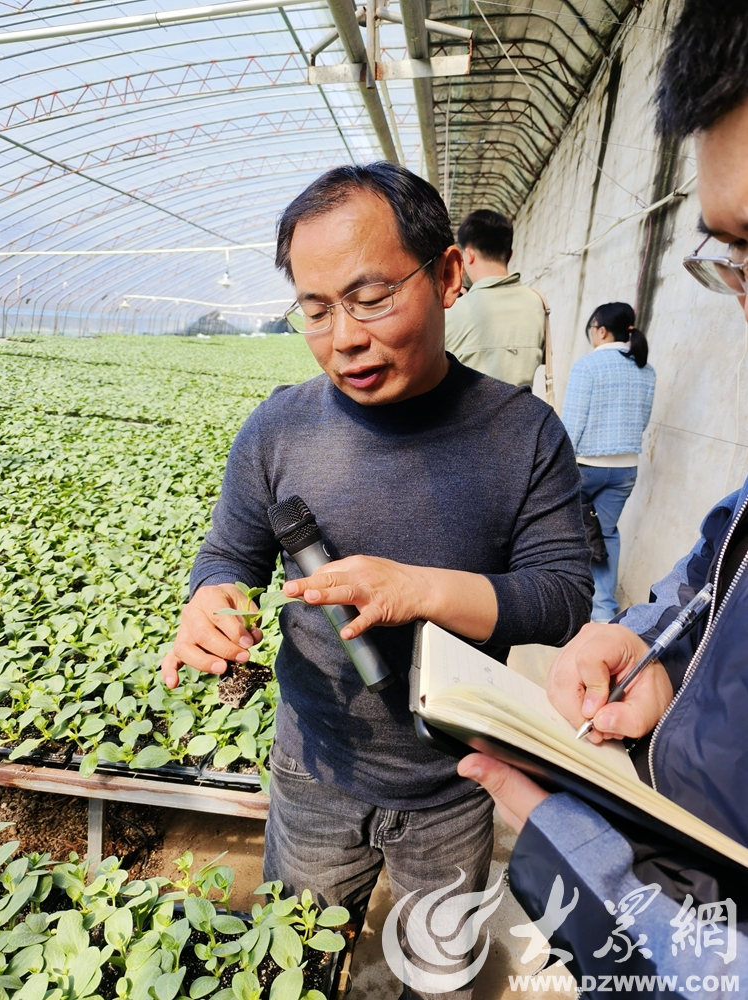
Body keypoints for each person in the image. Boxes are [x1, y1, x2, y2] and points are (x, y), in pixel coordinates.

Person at [160, 164, 593, 998]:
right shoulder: (278, 429)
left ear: (447, 276)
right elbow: (228, 557)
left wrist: (422, 590)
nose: (344, 338)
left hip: (451, 782)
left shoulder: (523, 434)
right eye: (315, 310)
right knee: (294, 967)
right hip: (313, 771)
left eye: (370, 298)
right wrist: (208, 600)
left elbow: (562, 593)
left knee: (440, 978)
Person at [458, 1, 748, 993]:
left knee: (578, 555)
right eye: (739, 265)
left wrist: (587, 867)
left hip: (581, 462)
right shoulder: (598, 351)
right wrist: (665, 664)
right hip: (621, 469)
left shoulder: (551, 371)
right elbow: (712, 577)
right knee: (611, 560)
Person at [562, 302, 656, 621]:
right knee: (606, 532)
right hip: (625, 469)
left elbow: (572, 424)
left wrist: (558, 465)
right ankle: (603, 612)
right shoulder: (646, 369)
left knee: (575, 531)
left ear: (601, 330)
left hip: (585, 467)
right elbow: (642, 421)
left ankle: (569, 598)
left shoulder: (587, 366)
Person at [444, 209, 546, 386]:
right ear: (510, 254)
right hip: (526, 412)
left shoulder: (452, 312)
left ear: (469, 255)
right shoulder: (537, 303)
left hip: (472, 413)